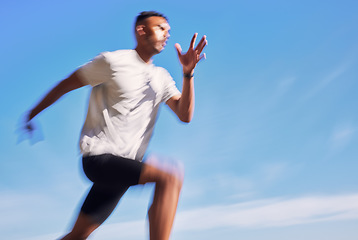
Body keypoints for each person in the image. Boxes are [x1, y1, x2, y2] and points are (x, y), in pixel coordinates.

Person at [24, 11, 207, 240]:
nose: (167, 34)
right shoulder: (112, 62)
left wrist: (188, 74)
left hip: (123, 169)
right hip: (99, 159)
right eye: (160, 28)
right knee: (169, 177)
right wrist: (32, 113)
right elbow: (65, 85)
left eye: (168, 31)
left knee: (77, 235)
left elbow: (184, 114)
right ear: (142, 31)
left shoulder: (161, 77)